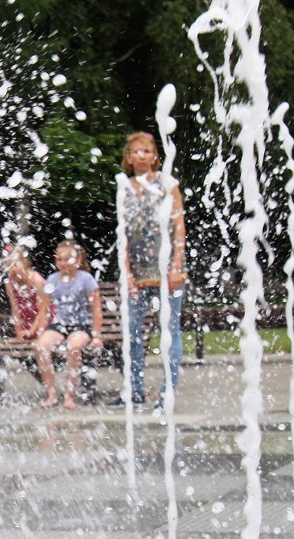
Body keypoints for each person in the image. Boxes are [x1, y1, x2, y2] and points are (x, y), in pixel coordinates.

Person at [112, 131, 186, 410]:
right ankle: (134, 389)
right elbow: (124, 235)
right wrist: (127, 274)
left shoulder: (168, 184)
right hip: (137, 274)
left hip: (168, 271)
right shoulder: (124, 187)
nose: (141, 156)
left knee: (171, 332)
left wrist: (176, 266)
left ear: (155, 156)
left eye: (146, 151)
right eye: (136, 152)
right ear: (128, 158)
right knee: (131, 332)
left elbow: (179, 227)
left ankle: (167, 392)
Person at [33, 240, 103, 409]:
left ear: (78, 260)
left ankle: (69, 394)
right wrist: (40, 329)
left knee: (73, 347)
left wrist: (96, 335)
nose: (62, 263)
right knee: (40, 346)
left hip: (81, 326)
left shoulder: (86, 279)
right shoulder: (52, 279)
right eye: (59, 260)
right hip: (60, 325)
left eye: (67, 259)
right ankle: (51, 393)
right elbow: (45, 307)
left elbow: (96, 309)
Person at [3, 245, 50, 342]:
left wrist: (32, 331)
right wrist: (19, 332)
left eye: (15, 265)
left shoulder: (36, 280)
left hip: (44, 321)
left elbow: (43, 309)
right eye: (8, 266)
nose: (12, 269)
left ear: (24, 262)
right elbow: (15, 308)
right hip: (27, 321)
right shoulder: (10, 283)